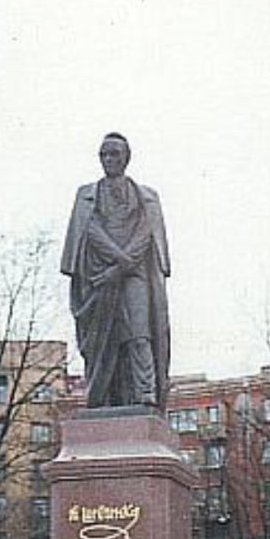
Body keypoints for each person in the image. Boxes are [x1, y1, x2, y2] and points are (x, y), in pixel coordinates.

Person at [61, 132, 171, 410]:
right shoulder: (86, 195)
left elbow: (148, 231)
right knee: (102, 340)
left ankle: (144, 395)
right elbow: (89, 230)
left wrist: (124, 264)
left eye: (115, 154)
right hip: (98, 277)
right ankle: (102, 397)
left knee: (139, 333)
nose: (109, 160)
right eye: (104, 155)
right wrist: (118, 259)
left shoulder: (147, 196)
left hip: (135, 276)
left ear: (126, 158)